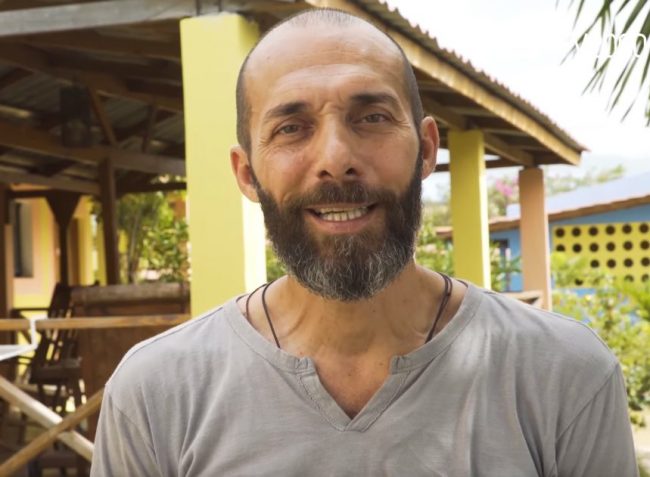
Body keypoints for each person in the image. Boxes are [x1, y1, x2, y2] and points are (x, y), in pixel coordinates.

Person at [90, 8, 639, 477]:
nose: (336, 158)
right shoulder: (157, 393)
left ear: (427, 149)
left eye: (372, 117)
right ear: (247, 173)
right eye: (291, 128)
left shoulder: (562, 373)